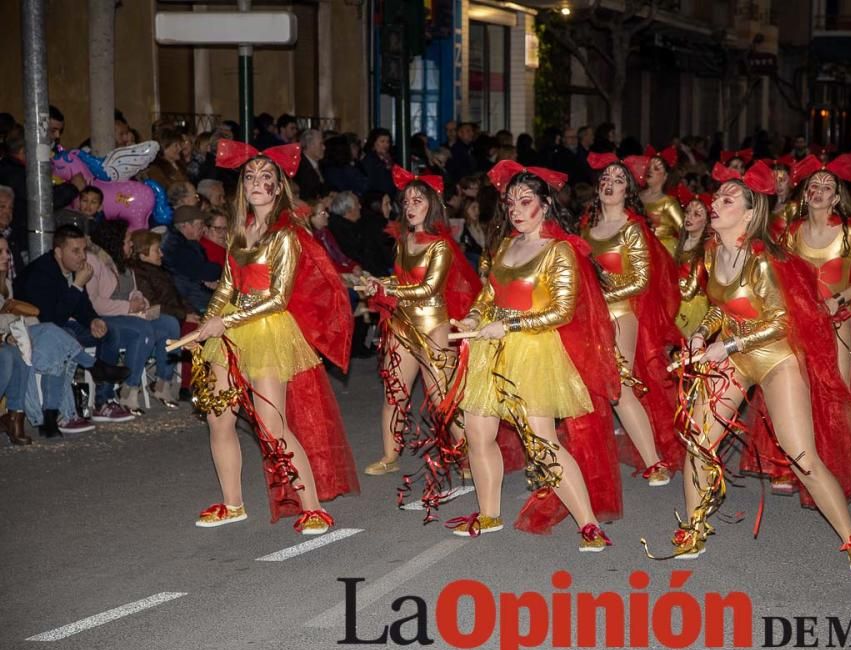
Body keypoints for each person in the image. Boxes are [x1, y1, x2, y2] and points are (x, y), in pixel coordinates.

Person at [673, 161, 851, 573]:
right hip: (733, 356)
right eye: (717, 196)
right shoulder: (712, 253)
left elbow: (779, 322)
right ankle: (694, 527)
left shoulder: (761, 260)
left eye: (729, 199)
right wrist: (701, 335)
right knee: (696, 440)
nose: (717, 202)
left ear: (749, 213)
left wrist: (724, 344)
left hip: (777, 358)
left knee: (803, 457)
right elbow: (719, 306)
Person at [451, 160, 620, 552]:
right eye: (510, 202)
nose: (515, 209)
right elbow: (488, 294)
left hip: (532, 349)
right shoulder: (507, 244)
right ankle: (489, 512)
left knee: (542, 442)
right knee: (478, 434)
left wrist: (507, 326)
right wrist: (472, 317)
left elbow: (562, 310)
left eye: (524, 201)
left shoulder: (559, 251)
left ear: (544, 205)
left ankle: (589, 524)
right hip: (490, 348)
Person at [193, 139, 358, 535]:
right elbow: (226, 287)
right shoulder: (239, 230)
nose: (255, 182)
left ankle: (312, 506)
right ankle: (233, 503)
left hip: (267, 329)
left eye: (265, 176)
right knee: (219, 420)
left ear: (278, 186)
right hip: (230, 330)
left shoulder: (285, 235)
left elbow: (277, 298)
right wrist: (208, 322)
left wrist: (225, 323)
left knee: (272, 424)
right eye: (249, 176)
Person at [358, 166, 479, 477]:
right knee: (394, 393)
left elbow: (428, 288)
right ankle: (389, 455)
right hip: (402, 325)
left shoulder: (440, 245)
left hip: (433, 326)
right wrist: (376, 283)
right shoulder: (403, 240)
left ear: (431, 206)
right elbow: (401, 279)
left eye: (418, 201)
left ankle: (468, 456)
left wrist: (388, 288)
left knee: (442, 398)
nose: (410, 207)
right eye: (407, 201)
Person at [779, 153, 851, 499]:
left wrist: (838, 301)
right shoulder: (793, 232)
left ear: (837, 198)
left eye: (827, 187)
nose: (819, 191)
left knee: (840, 395)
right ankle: (797, 466)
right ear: (805, 194)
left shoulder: (849, 232)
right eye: (814, 186)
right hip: (802, 322)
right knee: (799, 391)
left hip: (838, 320)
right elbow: (782, 277)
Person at [581, 156, 684, 485]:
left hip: (620, 313)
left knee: (620, 386)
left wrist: (599, 300)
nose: (610, 183)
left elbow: (640, 280)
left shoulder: (633, 228)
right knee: (582, 389)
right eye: (605, 178)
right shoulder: (586, 228)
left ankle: (655, 462)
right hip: (587, 318)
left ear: (628, 190)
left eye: (619, 179)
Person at [13, 224, 134, 423]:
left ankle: (102, 401)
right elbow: (51, 320)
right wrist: (77, 285)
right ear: (59, 252)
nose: (82, 257)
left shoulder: (73, 269)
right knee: (67, 333)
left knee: (110, 332)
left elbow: (81, 307)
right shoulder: (42, 273)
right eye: (75, 251)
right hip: (36, 332)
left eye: (84, 250)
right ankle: (70, 407)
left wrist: (93, 320)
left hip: (60, 327)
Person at [87, 220, 180, 414]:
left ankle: (162, 384)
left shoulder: (124, 264)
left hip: (127, 314)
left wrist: (140, 301)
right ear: (114, 241)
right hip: (105, 317)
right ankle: (129, 389)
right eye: (127, 240)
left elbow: (133, 291)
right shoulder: (95, 262)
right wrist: (129, 306)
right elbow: (94, 302)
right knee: (142, 329)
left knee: (170, 324)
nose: (131, 244)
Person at [129, 230, 200, 407]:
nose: (161, 253)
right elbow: (153, 305)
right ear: (143, 253)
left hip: (174, 315)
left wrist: (192, 312)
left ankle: (197, 381)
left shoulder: (160, 271)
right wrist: (184, 315)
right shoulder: (140, 273)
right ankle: (178, 384)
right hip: (158, 318)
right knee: (182, 330)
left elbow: (177, 297)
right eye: (156, 250)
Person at [161, 205, 222, 313]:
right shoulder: (176, 247)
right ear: (185, 226)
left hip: (194, 295)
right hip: (191, 301)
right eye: (199, 225)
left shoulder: (187, 242)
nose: (203, 229)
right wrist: (219, 269)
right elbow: (204, 272)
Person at [672, 184, 712, 337]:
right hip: (677, 300)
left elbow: (689, 292)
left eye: (697, 214)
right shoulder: (680, 243)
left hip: (692, 306)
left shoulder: (702, 251)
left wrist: (668, 288)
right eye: (688, 212)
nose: (689, 217)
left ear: (706, 221)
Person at [639, 147, 685, 253]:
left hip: (662, 252)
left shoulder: (669, 202)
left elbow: (683, 230)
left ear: (665, 176)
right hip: (638, 250)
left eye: (656, 168)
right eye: (648, 167)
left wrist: (679, 255)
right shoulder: (636, 198)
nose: (650, 170)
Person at [361, 128, 396, 197]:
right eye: (382, 141)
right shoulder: (369, 160)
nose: (386, 145)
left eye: (388, 142)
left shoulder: (389, 159)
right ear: (374, 143)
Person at [295, 129, 328, 201]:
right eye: (321, 144)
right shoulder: (300, 167)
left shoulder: (322, 164)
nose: (324, 147)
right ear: (310, 145)